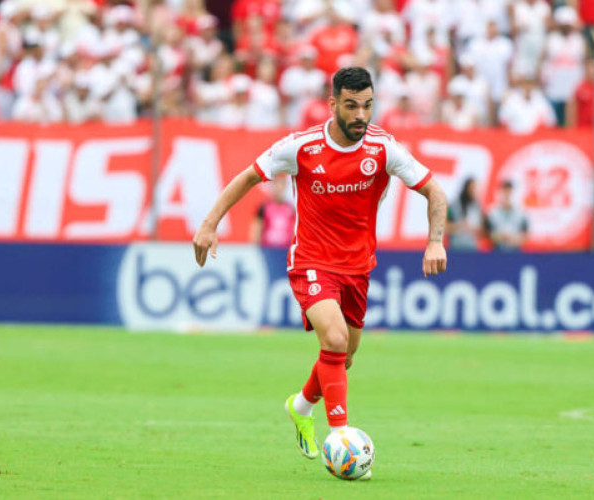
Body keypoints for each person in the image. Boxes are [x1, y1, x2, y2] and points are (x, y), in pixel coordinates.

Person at [192, 67, 448, 477]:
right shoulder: (302, 147)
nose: (360, 115)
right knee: (333, 336)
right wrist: (209, 224)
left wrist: (435, 239)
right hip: (311, 261)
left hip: (358, 267)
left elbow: (434, 190)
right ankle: (342, 437)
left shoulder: (384, 149)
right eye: (351, 106)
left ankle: (300, 406)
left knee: (343, 357)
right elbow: (247, 177)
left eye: (367, 105)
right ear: (333, 104)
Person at [249, 175, 296, 248]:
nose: (279, 188)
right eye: (276, 184)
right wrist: (255, 248)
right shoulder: (264, 208)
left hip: (285, 251)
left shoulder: (290, 209)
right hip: (268, 250)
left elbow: (294, 231)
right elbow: (256, 232)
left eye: (282, 184)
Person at [485, 179, 528, 251]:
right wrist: (501, 237)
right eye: (505, 192)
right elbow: (487, 233)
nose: (507, 195)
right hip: (497, 250)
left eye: (509, 192)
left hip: (515, 250)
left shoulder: (521, 213)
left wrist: (514, 239)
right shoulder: (492, 213)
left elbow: (525, 235)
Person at [447, 178, 484, 250]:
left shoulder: (477, 206)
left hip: (472, 247)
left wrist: (475, 229)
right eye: (472, 188)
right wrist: (459, 226)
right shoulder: (454, 205)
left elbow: (482, 229)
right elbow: (444, 226)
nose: (474, 191)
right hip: (456, 247)